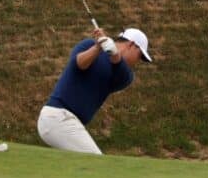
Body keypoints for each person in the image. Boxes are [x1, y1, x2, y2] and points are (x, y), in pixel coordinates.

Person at [37, 26, 152, 154]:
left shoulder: (127, 75)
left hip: (70, 123)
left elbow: (118, 68)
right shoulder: (88, 44)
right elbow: (78, 64)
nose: (138, 61)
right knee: (96, 163)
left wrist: (115, 53)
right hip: (58, 117)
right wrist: (97, 48)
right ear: (131, 45)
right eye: (139, 55)